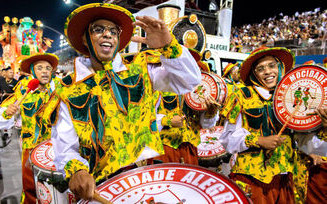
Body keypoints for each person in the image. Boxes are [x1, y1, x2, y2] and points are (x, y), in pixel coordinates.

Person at [47, 3, 201, 201]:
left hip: (148, 182)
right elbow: (65, 147)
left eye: (113, 30)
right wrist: (76, 170)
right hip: (101, 189)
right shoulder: (67, 89)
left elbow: (190, 81)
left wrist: (168, 46)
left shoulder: (141, 71)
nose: (107, 35)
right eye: (98, 29)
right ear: (85, 39)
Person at [219, 47, 297, 203]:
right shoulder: (241, 96)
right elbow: (226, 138)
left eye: (272, 65)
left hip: (285, 176)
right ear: (254, 74)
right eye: (261, 69)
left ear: (280, 67)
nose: (268, 71)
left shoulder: (292, 96)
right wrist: (258, 140)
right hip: (252, 180)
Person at [0, 53, 61, 204]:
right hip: (31, 148)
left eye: (48, 68)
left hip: (58, 147)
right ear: (32, 71)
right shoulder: (23, 90)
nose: (44, 71)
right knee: (32, 190)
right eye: (40, 68)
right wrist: (8, 113)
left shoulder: (60, 88)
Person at [154, 49, 219, 165]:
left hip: (190, 149)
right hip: (164, 149)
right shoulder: (158, 84)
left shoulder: (200, 87)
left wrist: (210, 112)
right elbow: (143, 117)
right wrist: (166, 120)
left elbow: (207, 125)